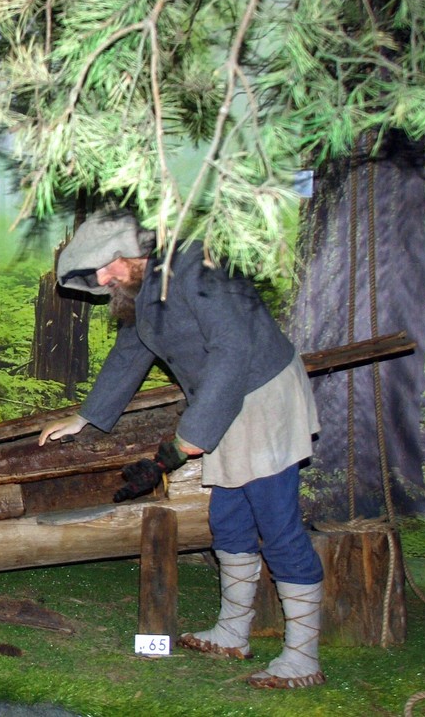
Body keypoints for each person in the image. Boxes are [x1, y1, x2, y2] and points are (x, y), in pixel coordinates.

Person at [38, 209, 325, 690]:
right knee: (229, 522)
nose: (103, 280)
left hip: (260, 397)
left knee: (278, 527)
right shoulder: (144, 286)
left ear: (134, 250)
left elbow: (233, 350)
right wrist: (84, 417)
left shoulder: (196, 266)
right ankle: (233, 634)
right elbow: (133, 348)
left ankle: (302, 658)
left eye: (106, 266)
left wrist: (193, 434)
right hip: (225, 401)